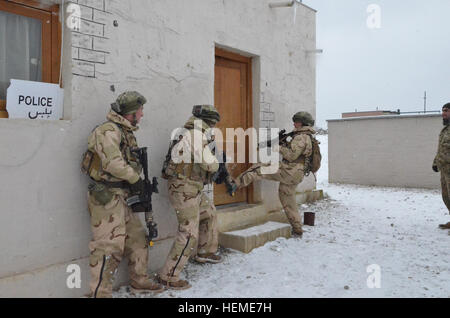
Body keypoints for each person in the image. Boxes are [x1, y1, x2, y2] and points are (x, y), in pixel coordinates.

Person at [82, 91, 163, 298]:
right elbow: (112, 163)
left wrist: (138, 185)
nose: (142, 114)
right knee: (108, 247)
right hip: (108, 197)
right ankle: (100, 293)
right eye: (140, 111)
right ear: (130, 113)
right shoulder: (108, 131)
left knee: (137, 239)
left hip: (123, 195)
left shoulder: (126, 131)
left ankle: (140, 280)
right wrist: (136, 180)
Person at [158, 105, 222, 290]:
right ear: (210, 122)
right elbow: (209, 164)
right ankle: (169, 276)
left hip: (191, 187)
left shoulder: (192, 133)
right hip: (184, 190)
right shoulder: (195, 135)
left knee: (209, 212)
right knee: (188, 232)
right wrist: (218, 162)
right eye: (213, 123)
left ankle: (205, 251)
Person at [231, 111, 317, 237]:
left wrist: (277, 146)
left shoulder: (301, 137)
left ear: (303, 123)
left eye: (296, 121)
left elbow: (291, 155)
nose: (294, 123)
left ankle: (234, 184)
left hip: (290, 171)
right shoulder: (306, 136)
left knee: (259, 168)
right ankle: (297, 228)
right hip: (297, 173)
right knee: (288, 200)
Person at [432, 102, 450, 232]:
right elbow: (441, 148)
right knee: (446, 196)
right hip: (445, 170)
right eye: (442, 110)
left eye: (446, 111)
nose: (443, 113)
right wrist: (435, 162)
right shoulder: (445, 130)